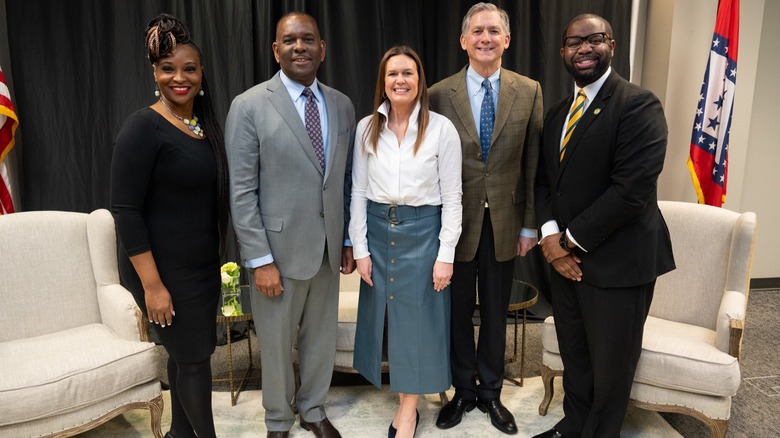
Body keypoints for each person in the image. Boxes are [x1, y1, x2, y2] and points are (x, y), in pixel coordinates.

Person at [531, 14, 675, 438]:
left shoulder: (638, 104)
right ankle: (574, 425)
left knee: (612, 369)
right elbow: (544, 184)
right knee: (576, 356)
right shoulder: (558, 114)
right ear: (562, 53)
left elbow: (630, 192)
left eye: (594, 39)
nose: (584, 48)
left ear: (611, 44)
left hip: (618, 266)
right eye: (574, 42)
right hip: (566, 266)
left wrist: (567, 242)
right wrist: (549, 237)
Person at [224, 12, 356, 438]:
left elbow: (347, 180)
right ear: (275, 50)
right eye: (290, 40)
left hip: (327, 248)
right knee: (277, 345)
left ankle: (313, 410)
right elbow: (242, 193)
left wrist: (349, 240)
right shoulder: (248, 106)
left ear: (322, 48)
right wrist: (259, 259)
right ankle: (278, 419)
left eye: (308, 39)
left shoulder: (341, 104)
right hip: (276, 255)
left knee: (320, 338)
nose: (300, 47)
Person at [110, 13, 228, 438]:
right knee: (195, 363)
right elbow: (125, 211)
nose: (179, 78)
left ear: (201, 73)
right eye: (168, 69)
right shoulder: (142, 128)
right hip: (164, 273)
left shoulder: (202, 126)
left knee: (187, 360)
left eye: (189, 69)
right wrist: (153, 286)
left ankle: (180, 433)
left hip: (199, 267)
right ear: (154, 72)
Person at [429, 3, 543, 435]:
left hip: (507, 222)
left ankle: (491, 393)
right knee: (457, 312)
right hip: (454, 224)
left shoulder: (529, 90)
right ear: (463, 40)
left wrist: (530, 225)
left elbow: (533, 163)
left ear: (507, 39)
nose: (485, 38)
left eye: (494, 31)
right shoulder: (438, 93)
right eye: (477, 31)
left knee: (496, 312)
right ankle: (463, 390)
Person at [350, 45, 463, 438]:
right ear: (383, 82)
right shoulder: (367, 128)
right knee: (387, 319)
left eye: (408, 74)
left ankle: (408, 410)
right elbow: (358, 192)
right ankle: (406, 395)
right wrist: (360, 249)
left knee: (417, 323)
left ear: (420, 82)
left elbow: (453, 198)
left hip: (423, 232)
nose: (400, 80)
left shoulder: (441, 129)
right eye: (393, 74)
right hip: (378, 233)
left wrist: (445, 254)